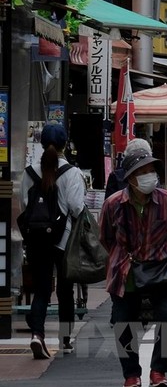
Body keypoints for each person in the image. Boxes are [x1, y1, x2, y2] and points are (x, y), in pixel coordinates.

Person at [100, 143, 167, 387]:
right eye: (142, 172)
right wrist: (124, 257)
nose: (148, 176)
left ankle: (159, 372)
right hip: (125, 271)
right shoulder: (113, 204)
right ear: (130, 177)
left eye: (151, 170)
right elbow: (106, 238)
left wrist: (157, 250)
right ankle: (131, 375)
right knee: (122, 320)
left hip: (159, 267)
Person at [20, 123, 85, 359]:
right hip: (63, 239)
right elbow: (76, 207)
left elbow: (24, 206)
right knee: (65, 290)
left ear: (41, 143)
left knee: (42, 289)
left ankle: (37, 334)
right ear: (64, 145)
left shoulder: (29, 172)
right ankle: (65, 340)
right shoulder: (72, 173)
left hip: (36, 239)